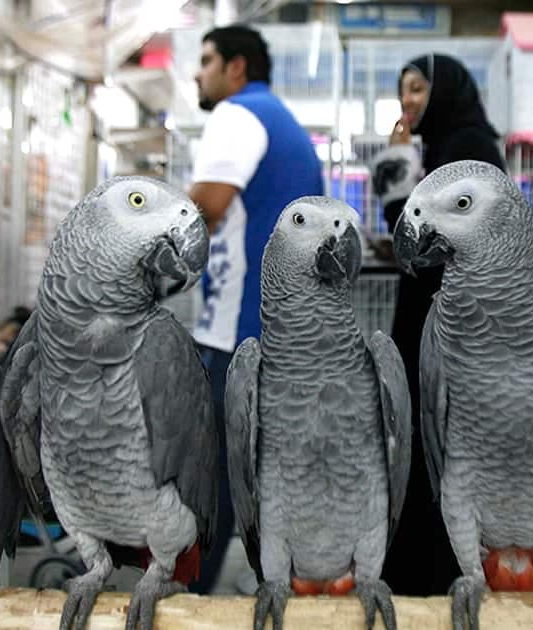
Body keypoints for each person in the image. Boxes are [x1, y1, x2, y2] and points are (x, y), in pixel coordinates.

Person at [186, 23, 324, 593]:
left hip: (236, 333)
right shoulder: (285, 124)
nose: (199, 72)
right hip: (287, 331)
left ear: (236, 68)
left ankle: (184, 600)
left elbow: (204, 210)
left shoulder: (237, 115)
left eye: (207, 60)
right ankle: (286, 585)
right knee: (268, 473)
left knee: (211, 478)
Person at [369, 52, 506, 596]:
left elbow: (426, 244)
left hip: (451, 336)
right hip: (438, 324)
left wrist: (396, 164)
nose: (408, 101)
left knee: (433, 450)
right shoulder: (451, 146)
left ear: (445, 91)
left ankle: (431, 578)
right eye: (403, 90)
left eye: (419, 89)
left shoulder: (467, 149)